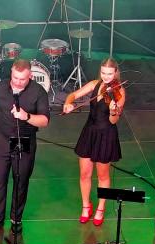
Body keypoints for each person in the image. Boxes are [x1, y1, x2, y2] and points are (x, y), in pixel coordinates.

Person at [0, 59, 50, 235]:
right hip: (2, 138)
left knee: (21, 180)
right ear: (11, 72)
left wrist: (26, 116)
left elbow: (44, 120)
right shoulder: (0, 88)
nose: (17, 82)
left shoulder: (38, 92)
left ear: (30, 76)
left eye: (22, 79)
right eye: (15, 77)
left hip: (24, 139)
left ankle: (16, 219)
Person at [63, 58, 126, 226]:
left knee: (103, 176)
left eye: (110, 73)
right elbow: (73, 95)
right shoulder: (94, 84)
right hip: (89, 132)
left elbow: (113, 121)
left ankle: (101, 208)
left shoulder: (119, 91)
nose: (106, 76)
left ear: (116, 73)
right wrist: (68, 103)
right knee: (84, 174)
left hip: (106, 135)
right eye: (103, 73)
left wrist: (113, 111)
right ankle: (86, 206)